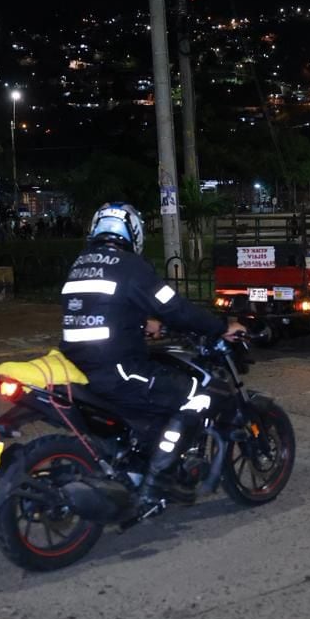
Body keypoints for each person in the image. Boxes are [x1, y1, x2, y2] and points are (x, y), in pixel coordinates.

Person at [60, 202, 245, 507]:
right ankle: (156, 485)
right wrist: (220, 325)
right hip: (116, 370)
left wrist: (139, 323)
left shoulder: (81, 263)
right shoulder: (130, 266)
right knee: (196, 396)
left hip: (77, 366)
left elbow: (100, 308)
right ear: (133, 232)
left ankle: (136, 460)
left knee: (157, 395)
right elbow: (174, 308)